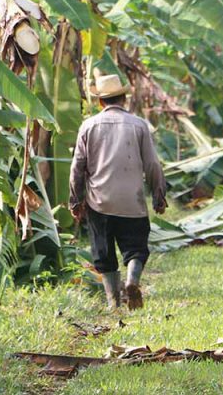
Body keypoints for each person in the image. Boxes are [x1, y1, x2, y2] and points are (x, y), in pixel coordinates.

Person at [69, 73, 167, 310]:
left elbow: (77, 167)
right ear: (124, 99)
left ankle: (114, 302)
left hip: (98, 202)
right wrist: (158, 195)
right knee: (136, 249)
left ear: (100, 101)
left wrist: (75, 200)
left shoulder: (88, 126)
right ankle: (132, 281)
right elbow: (153, 164)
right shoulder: (139, 125)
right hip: (132, 203)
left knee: (103, 254)